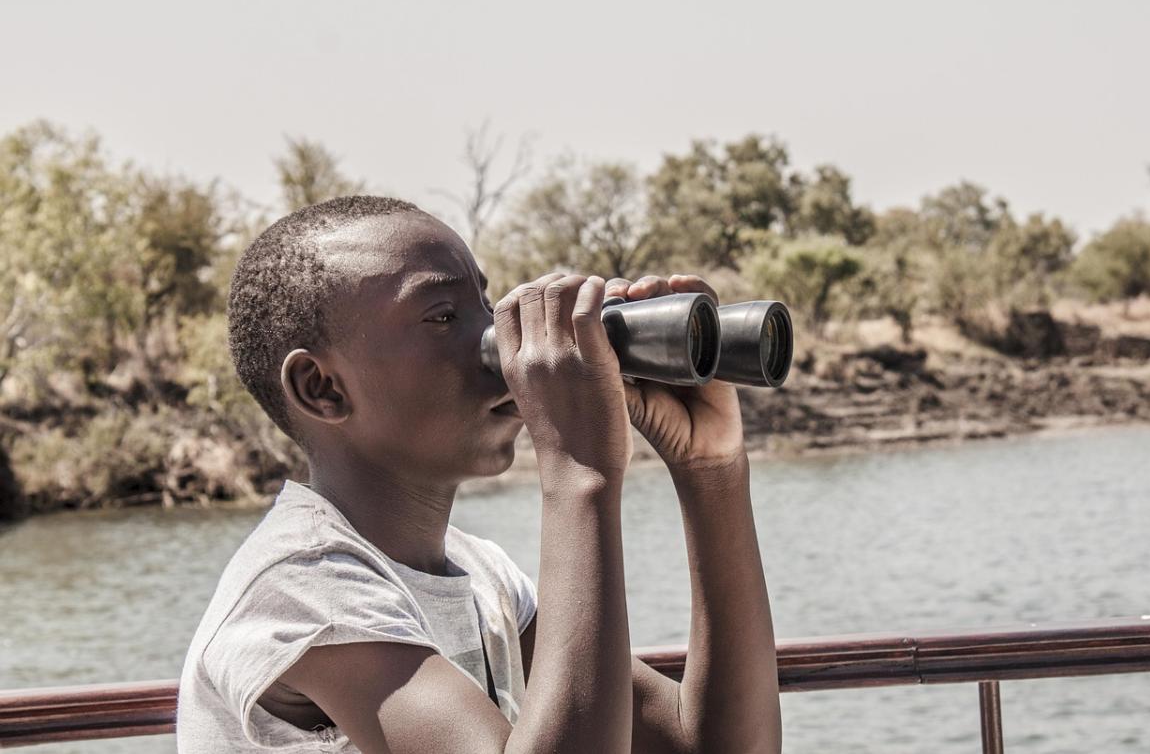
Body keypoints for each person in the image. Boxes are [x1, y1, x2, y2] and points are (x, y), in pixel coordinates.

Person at [176, 195, 782, 753]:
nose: (498, 341)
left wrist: (711, 473)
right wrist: (578, 470)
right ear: (323, 388)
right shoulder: (303, 591)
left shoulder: (480, 576)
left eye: (486, 307)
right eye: (443, 317)